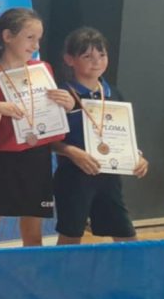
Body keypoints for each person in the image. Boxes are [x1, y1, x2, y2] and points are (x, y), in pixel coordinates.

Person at [0, 8, 74, 249]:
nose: (35, 45)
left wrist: (67, 104)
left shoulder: (43, 69)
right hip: (3, 163)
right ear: (7, 36)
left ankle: (30, 274)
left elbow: (50, 111)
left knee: (33, 235)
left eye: (39, 39)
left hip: (38, 159)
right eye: (30, 37)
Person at [52, 27, 149, 245]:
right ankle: (63, 269)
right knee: (70, 236)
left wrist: (136, 155)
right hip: (74, 177)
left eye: (102, 55)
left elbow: (124, 135)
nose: (96, 61)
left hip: (109, 178)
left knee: (127, 237)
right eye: (87, 56)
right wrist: (70, 151)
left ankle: (130, 269)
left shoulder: (114, 93)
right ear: (69, 59)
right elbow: (48, 141)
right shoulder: (61, 95)